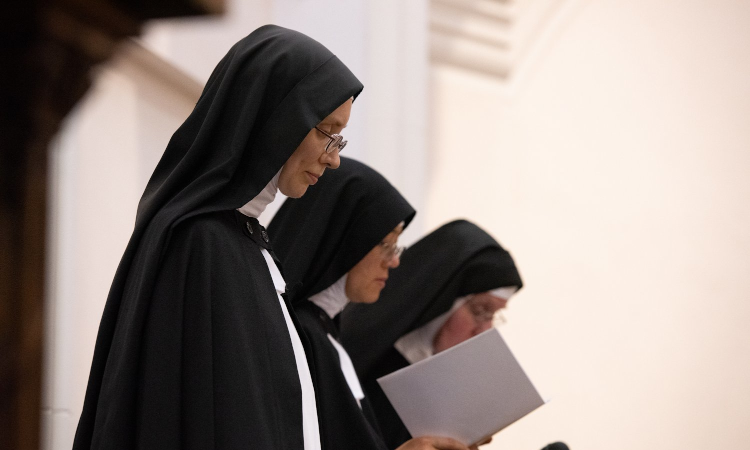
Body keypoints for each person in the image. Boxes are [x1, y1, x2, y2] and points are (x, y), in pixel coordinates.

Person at [73, 25, 362, 450]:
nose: (334, 158)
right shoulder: (202, 245)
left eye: (339, 137)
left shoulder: (245, 243)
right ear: (276, 117)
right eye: (326, 131)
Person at [268, 158, 474, 450]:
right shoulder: (299, 336)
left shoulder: (324, 333)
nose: (394, 261)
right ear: (344, 237)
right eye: (386, 245)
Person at [340, 220, 523, 449]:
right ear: (441, 300)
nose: (484, 331)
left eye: (494, 316)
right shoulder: (350, 359)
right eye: (480, 311)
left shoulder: (446, 392)